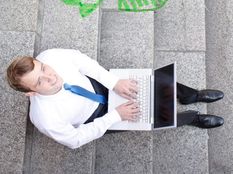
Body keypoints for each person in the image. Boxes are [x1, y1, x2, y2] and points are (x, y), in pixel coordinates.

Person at [6, 48, 224, 149]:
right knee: (152, 120)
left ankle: (191, 95)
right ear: (31, 93)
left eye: (43, 69)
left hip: (98, 83)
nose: (50, 76)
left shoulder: (50, 56)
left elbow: (83, 62)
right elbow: (75, 140)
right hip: (97, 117)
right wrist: (114, 117)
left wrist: (113, 82)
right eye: (39, 82)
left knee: (153, 81)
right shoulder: (44, 118)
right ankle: (191, 118)